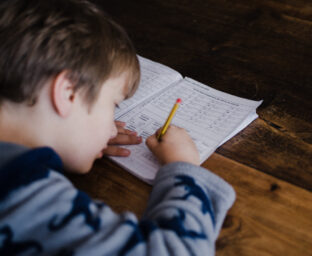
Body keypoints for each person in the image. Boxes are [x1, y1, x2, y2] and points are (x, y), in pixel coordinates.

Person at [0, 0, 235, 255]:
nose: (113, 130)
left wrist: (70, 138)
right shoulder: (24, 198)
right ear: (68, 94)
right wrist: (184, 169)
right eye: (114, 105)